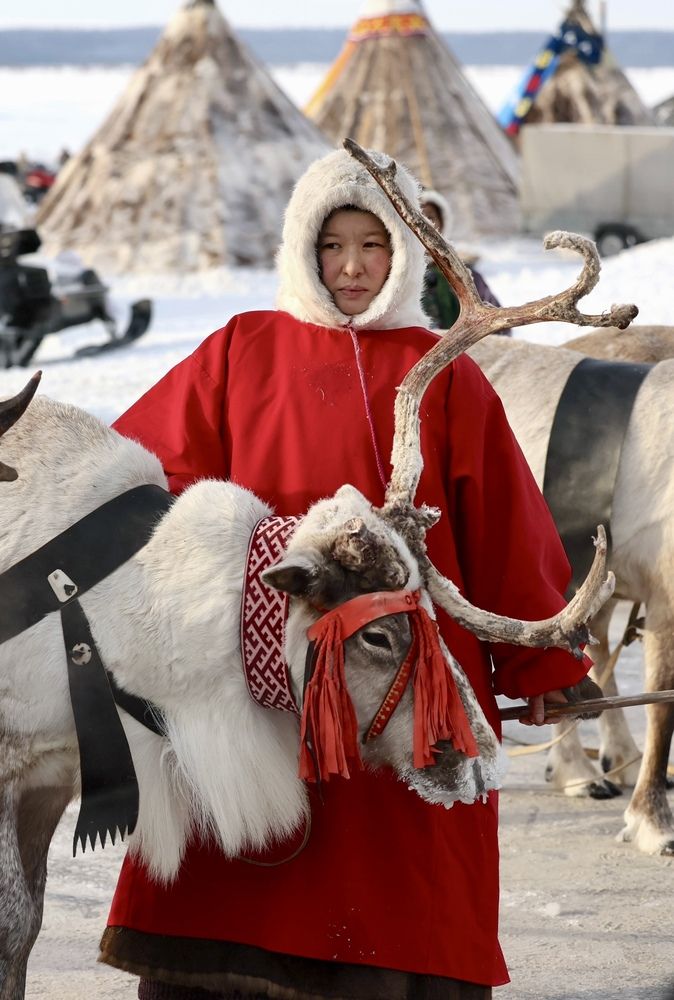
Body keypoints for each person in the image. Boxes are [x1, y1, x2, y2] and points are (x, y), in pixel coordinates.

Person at [99, 149, 591, 999]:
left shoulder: (444, 371)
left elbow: (507, 531)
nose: (355, 266)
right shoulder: (239, 350)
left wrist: (539, 665)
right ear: (303, 249)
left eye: (374, 244)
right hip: (260, 674)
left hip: (410, 668)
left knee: (399, 868)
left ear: (403, 252)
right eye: (334, 245)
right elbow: (149, 475)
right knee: (245, 860)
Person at [420, 189, 511, 336]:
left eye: (430, 217)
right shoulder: (391, 276)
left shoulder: (466, 276)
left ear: (442, 223)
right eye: (416, 215)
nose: (421, 224)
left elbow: (499, 323)